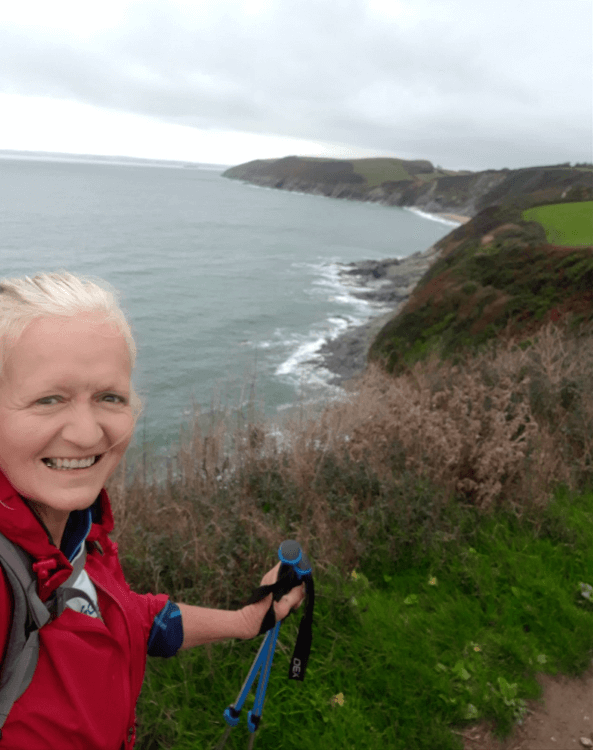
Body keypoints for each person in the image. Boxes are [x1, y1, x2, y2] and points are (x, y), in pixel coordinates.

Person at [0, 271, 305, 749]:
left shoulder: (76, 534)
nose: (85, 433)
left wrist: (247, 621)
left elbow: (118, 620)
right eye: (48, 399)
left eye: (109, 397)